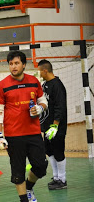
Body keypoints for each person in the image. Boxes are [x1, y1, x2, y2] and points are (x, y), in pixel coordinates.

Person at [0, 51, 48, 202]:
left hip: (33, 133)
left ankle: (29, 187)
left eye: (16, 63)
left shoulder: (34, 81)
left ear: (24, 64)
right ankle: (24, 199)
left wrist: (40, 108)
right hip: (13, 135)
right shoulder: (2, 85)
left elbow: (43, 100)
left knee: (41, 166)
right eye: (11, 64)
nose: (13, 66)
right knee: (17, 171)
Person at [38, 59, 67, 190]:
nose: (39, 73)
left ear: (45, 70)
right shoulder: (44, 85)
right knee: (49, 151)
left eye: (39, 70)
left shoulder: (58, 85)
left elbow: (60, 107)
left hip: (56, 127)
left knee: (58, 151)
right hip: (46, 126)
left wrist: (55, 125)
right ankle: (56, 177)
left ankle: (62, 179)